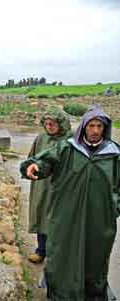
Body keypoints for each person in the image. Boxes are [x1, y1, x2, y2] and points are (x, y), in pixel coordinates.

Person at [20, 105, 120, 300]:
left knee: (95, 259)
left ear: (105, 128)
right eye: (91, 125)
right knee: (62, 255)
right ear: (84, 127)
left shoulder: (114, 154)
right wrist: (34, 166)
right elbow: (46, 161)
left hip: (100, 221)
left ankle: (93, 295)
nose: (95, 131)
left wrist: (113, 208)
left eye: (99, 126)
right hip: (66, 216)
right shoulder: (67, 147)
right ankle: (61, 294)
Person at [26, 107, 72, 264]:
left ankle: (59, 256)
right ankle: (41, 251)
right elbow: (30, 159)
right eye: (46, 123)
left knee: (59, 221)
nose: (49, 126)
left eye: (52, 123)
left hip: (61, 188)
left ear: (61, 123)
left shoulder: (70, 141)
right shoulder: (41, 138)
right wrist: (29, 169)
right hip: (42, 187)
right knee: (42, 217)